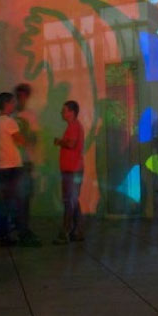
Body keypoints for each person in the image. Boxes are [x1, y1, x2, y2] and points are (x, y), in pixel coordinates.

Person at [0, 92, 40, 247]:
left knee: (5, 203)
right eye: (13, 102)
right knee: (21, 202)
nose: (15, 105)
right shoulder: (9, 122)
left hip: (1, 166)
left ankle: (3, 235)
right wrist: (31, 140)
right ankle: (23, 233)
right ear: (7, 103)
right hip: (12, 167)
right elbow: (20, 141)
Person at [53, 100, 85, 244]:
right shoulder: (74, 126)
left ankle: (65, 232)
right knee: (73, 201)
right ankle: (77, 232)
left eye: (64, 110)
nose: (62, 113)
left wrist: (59, 142)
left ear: (72, 112)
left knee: (69, 201)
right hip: (72, 169)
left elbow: (71, 144)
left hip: (72, 170)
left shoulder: (73, 126)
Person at [14, 83, 41, 234]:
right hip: (12, 161)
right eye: (19, 96)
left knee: (25, 196)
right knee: (14, 195)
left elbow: (35, 139)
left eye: (24, 96)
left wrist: (23, 139)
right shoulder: (10, 115)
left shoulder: (31, 116)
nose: (21, 99)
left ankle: (24, 226)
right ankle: (18, 225)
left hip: (25, 160)